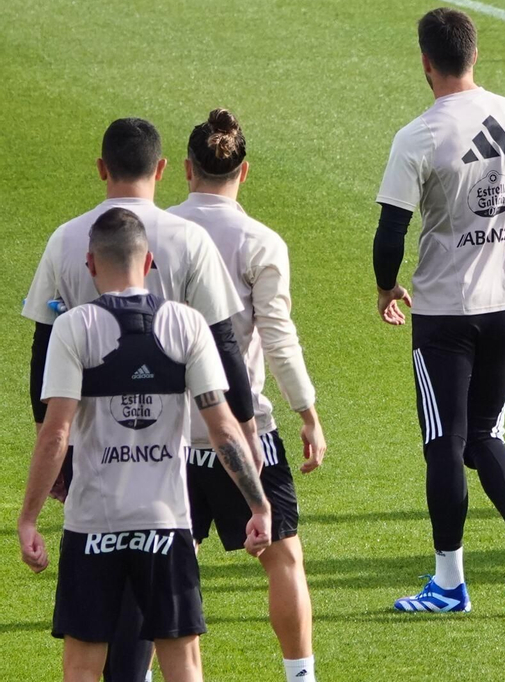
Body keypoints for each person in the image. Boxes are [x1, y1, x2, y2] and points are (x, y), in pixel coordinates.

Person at [22, 117, 259, 681]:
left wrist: (49, 475)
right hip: (168, 486)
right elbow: (227, 351)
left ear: (102, 168)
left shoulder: (67, 244)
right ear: (159, 170)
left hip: (91, 477)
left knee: (85, 652)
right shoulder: (188, 248)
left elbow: (41, 364)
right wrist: (250, 457)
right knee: (180, 649)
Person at [373, 7, 505, 614]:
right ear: (474, 54)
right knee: (486, 433)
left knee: (444, 441)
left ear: (426, 62)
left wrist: (385, 287)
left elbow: (390, 232)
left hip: (444, 315)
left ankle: (450, 583)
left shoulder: (420, 136)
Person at [168, 109, 324, 682]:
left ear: (186, 169)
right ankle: (300, 677)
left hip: (166, 433)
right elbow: (278, 338)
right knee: (283, 554)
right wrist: (307, 413)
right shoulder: (261, 241)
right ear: (244, 171)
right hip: (243, 429)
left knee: (168, 562)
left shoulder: (156, 233)